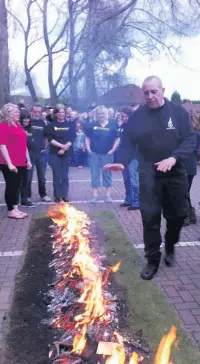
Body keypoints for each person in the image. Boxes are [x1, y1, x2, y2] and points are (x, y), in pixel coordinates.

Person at [104, 76, 196, 280]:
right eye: (146, 93)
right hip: (149, 174)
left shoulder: (177, 112)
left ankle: (170, 246)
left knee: (177, 216)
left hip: (175, 174)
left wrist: (174, 158)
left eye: (154, 91)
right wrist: (122, 161)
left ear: (162, 90)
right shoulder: (138, 117)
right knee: (150, 218)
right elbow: (128, 142)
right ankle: (153, 259)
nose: (150, 96)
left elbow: (190, 138)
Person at [0, 103, 32, 219]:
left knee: (18, 186)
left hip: (21, 161)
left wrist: (28, 160)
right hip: (9, 163)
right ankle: (10, 210)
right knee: (11, 186)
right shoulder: (3, 126)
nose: (19, 114)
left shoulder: (18, 126)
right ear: (8, 114)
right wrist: (9, 164)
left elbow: (24, 145)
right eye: (15, 112)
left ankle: (16, 208)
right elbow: (2, 146)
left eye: (18, 112)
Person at [85, 105, 120, 203]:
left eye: (103, 113)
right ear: (96, 114)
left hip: (107, 155)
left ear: (107, 114)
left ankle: (108, 195)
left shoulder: (112, 125)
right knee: (94, 175)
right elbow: (87, 138)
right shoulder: (92, 125)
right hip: (94, 154)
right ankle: (94, 196)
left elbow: (117, 138)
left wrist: (112, 150)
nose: (101, 115)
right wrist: (89, 150)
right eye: (99, 113)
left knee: (107, 174)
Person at [44, 104, 76, 203]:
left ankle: (64, 195)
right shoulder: (51, 125)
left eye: (63, 112)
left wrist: (65, 148)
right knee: (56, 175)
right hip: (55, 153)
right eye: (59, 112)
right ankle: (57, 195)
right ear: (55, 114)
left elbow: (72, 138)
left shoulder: (70, 124)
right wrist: (61, 147)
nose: (61, 114)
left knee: (65, 176)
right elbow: (50, 139)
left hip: (67, 153)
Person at [119, 107, 140, 210]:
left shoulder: (135, 127)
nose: (122, 118)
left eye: (124, 116)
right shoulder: (122, 126)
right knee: (126, 180)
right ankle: (128, 200)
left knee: (133, 180)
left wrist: (131, 157)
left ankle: (137, 202)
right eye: (121, 116)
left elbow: (137, 144)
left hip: (133, 157)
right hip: (124, 157)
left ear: (130, 116)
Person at [31, 103, 52, 202]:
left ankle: (43, 194)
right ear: (32, 111)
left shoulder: (43, 123)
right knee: (28, 177)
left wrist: (45, 147)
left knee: (42, 176)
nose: (37, 114)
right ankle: (26, 196)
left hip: (41, 153)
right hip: (29, 153)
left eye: (39, 112)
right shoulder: (27, 121)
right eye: (35, 112)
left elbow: (46, 136)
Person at [183, 112, 200, 225]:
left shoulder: (196, 135)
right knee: (185, 192)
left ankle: (187, 217)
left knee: (184, 192)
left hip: (189, 166)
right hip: (185, 165)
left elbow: (196, 150)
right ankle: (191, 215)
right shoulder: (185, 134)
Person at [20, 109, 36, 207]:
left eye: (28, 118)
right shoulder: (18, 128)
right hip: (19, 156)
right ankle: (17, 198)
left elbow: (30, 143)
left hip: (30, 156)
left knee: (28, 179)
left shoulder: (31, 130)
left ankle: (25, 198)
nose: (26, 120)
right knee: (19, 179)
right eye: (24, 118)